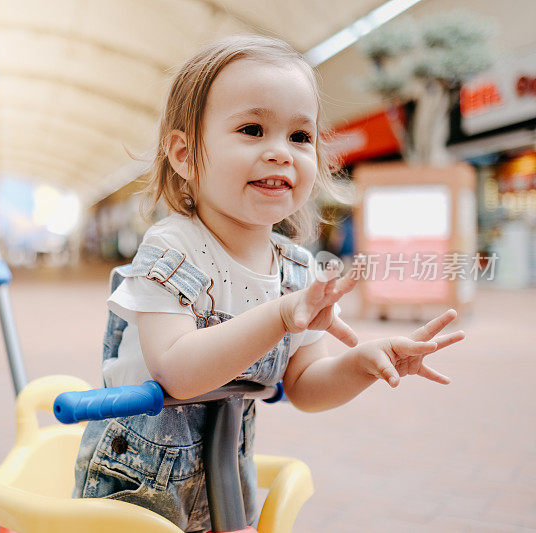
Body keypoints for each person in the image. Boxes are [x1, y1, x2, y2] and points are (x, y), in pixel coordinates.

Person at [72, 35, 465, 532]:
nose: (281, 152)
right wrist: (280, 316)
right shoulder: (171, 249)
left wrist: (362, 364)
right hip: (134, 486)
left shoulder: (297, 270)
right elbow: (178, 372)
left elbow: (304, 385)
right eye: (253, 129)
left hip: (224, 477)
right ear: (184, 154)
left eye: (300, 137)